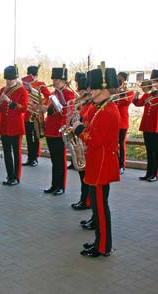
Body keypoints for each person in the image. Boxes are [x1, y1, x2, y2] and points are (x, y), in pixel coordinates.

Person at [73, 65, 120, 258]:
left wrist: (79, 131)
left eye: (93, 88)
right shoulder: (101, 107)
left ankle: (102, 247)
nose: (90, 91)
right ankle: (100, 242)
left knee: (100, 209)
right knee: (99, 207)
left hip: (101, 165)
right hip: (97, 162)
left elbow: (96, 139)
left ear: (104, 88)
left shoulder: (108, 110)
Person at [43, 66, 74, 195]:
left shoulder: (68, 93)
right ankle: (54, 184)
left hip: (59, 130)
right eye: (53, 79)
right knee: (54, 161)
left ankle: (61, 186)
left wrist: (49, 110)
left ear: (63, 80)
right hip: (50, 129)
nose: (53, 81)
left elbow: (67, 111)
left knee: (60, 161)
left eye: (56, 79)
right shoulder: (54, 94)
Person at [0, 65, 28, 186]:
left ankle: (16, 177)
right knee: (7, 152)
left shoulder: (22, 91)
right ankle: (9, 175)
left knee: (16, 152)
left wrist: (9, 101)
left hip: (16, 126)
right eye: (7, 79)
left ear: (15, 78)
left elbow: (24, 108)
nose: (8, 82)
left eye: (10, 79)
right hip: (4, 125)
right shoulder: (2, 90)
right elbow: (1, 108)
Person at [133, 70, 158, 182]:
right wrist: (137, 94)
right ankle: (148, 173)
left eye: (154, 81)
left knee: (156, 150)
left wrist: (155, 91)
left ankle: (155, 174)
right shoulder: (148, 93)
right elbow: (139, 103)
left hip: (157, 125)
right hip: (147, 124)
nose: (152, 83)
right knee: (149, 150)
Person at [22, 65, 50, 167]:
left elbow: (48, 97)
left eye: (34, 75)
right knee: (29, 137)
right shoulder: (24, 85)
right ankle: (30, 157)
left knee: (36, 137)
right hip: (27, 114)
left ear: (37, 75)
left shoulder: (41, 84)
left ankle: (35, 158)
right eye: (30, 75)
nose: (33, 77)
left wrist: (39, 105)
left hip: (37, 115)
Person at [71, 74, 92, 211]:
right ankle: (83, 199)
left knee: (87, 176)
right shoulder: (83, 104)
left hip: (87, 142)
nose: (79, 94)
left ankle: (87, 201)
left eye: (82, 92)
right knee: (82, 175)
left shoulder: (90, 106)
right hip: (81, 141)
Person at [116, 72, 135, 175]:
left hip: (122, 122)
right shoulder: (115, 91)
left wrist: (123, 93)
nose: (119, 81)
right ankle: (115, 163)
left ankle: (122, 165)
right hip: (114, 121)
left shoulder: (129, 91)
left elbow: (127, 102)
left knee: (121, 144)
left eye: (120, 79)